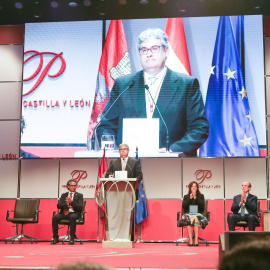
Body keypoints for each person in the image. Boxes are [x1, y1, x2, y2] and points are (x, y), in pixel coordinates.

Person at [96, 28, 209, 157]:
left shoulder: (186, 85)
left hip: (173, 165)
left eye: (154, 48)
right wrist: (118, 152)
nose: (149, 54)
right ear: (139, 53)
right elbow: (105, 126)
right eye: (144, 50)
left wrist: (172, 151)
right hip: (128, 165)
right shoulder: (123, 85)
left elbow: (199, 128)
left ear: (166, 51)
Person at [52, 179, 83, 245]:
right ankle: (55, 237)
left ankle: (72, 238)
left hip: (74, 213)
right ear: (68, 186)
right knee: (55, 217)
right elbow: (58, 206)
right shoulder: (64, 195)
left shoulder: (79, 195)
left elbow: (80, 207)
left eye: (75, 185)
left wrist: (71, 202)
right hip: (64, 213)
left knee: (72, 216)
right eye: (72, 185)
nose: (74, 187)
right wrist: (66, 204)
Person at [182, 181, 207, 246]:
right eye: (192, 187)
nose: (194, 188)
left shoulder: (201, 196)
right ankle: (190, 240)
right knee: (190, 218)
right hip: (188, 214)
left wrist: (195, 198)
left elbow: (202, 206)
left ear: (197, 188)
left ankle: (196, 240)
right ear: (190, 188)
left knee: (195, 217)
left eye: (195, 187)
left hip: (198, 214)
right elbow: (184, 207)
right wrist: (190, 199)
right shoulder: (186, 196)